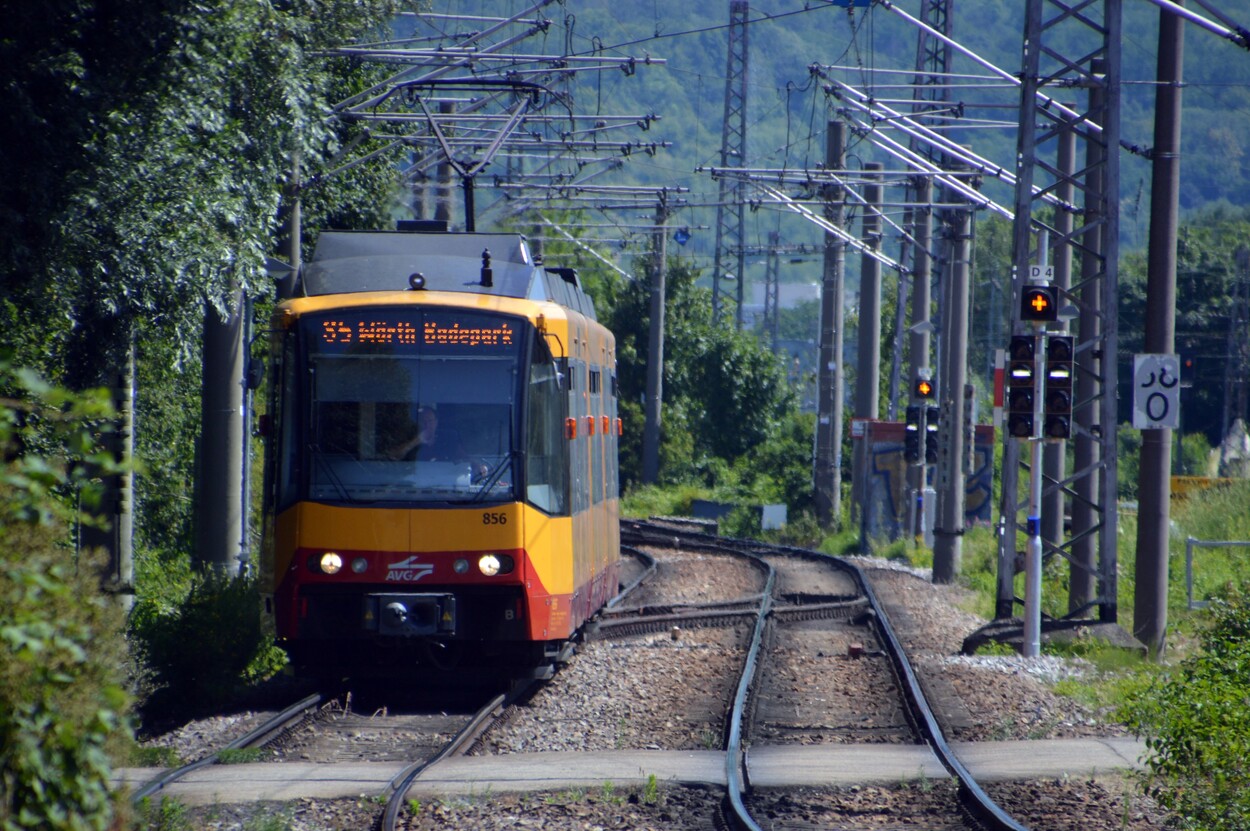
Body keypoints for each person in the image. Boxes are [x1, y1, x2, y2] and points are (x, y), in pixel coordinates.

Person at [388, 405, 461, 461]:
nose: (427, 424)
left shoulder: (449, 437)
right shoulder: (407, 438)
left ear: (436, 422)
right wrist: (415, 441)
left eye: (430, 421)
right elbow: (393, 456)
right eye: (423, 421)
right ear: (417, 423)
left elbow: (461, 456)